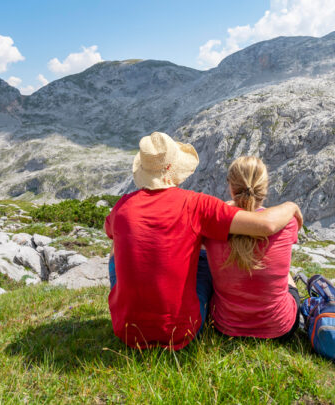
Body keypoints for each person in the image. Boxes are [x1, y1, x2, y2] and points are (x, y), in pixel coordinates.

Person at [104, 132, 302, 350]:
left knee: (115, 254)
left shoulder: (121, 207)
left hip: (127, 331)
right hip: (184, 331)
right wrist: (291, 207)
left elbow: (113, 236)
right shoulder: (197, 205)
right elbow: (264, 224)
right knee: (203, 257)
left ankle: (133, 307)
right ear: (172, 168)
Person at [204, 156, 300, 340]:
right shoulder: (288, 224)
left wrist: (230, 206)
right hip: (280, 328)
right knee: (286, 272)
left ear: (231, 188)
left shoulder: (213, 224)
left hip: (225, 326)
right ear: (264, 189)